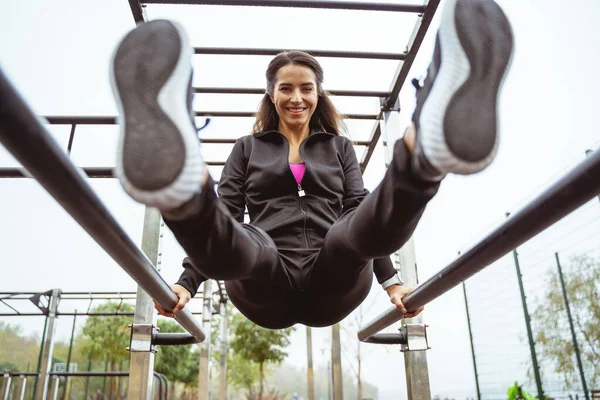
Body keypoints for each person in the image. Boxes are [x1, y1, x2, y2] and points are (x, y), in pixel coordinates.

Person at [109, 0, 513, 329]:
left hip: (332, 279)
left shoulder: (339, 146)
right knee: (247, 241)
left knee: (346, 234)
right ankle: (183, 190)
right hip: (263, 280)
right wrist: (186, 285)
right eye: (285, 89)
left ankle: (425, 156)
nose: (296, 97)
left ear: (319, 93)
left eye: (306, 88)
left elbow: (360, 210)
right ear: (271, 95)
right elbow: (229, 214)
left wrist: (392, 285)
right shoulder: (247, 148)